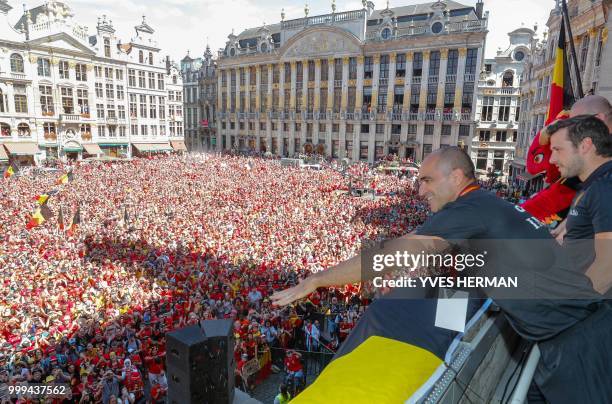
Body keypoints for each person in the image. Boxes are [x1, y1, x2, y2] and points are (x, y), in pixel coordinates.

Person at [272, 147, 612, 403]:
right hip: (568, 334)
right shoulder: (490, 206)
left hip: (577, 342)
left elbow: (394, 255)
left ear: (457, 177)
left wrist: (315, 280)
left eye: (427, 180)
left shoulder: (469, 209)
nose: (420, 191)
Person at [548, 115, 612, 296]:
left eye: (558, 149)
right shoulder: (593, 185)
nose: (552, 159)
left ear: (585, 145)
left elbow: (608, 266)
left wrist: (569, 308)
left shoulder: (605, 187)